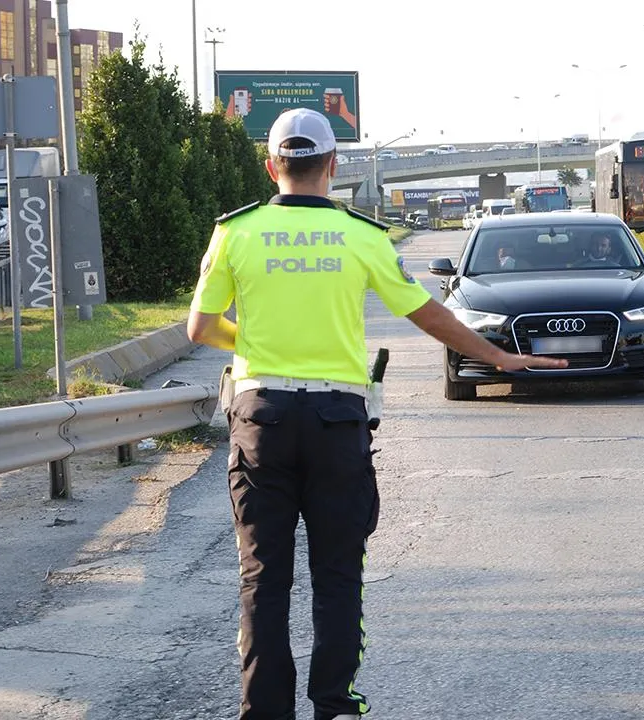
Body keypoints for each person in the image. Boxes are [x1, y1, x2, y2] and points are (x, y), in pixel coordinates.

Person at [187, 108, 565, 720]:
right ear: (333, 168)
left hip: (262, 420)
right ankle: (335, 706)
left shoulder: (235, 232)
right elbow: (426, 313)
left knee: (263, 579)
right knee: (337, 574)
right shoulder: (361, 235)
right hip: (338, 421)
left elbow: (200, 327)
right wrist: (498, 355)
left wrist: (257, 345)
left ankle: (262, 713)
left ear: (271, 165)